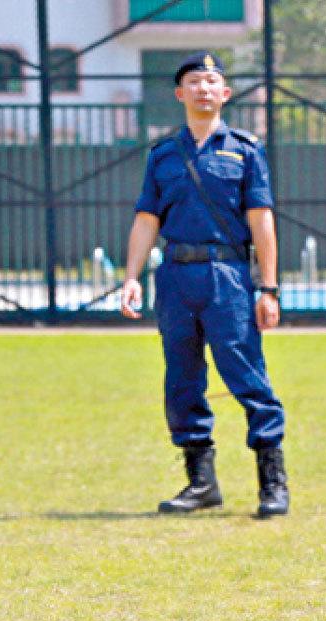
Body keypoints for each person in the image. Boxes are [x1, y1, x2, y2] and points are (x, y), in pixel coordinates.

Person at [119, 51, 290, 518]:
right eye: (194, 82)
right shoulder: (163, 155)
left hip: (227, 278)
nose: (203, 88)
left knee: (247, 376)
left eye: (211, 81)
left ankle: (272, 483)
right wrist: (131, 277)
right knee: (182, 379)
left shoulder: (245, 150)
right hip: (175, 276)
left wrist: (268, 288)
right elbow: (146, 218)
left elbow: (262, 223)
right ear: (180, 94)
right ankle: (201, 483)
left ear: (225, 93)